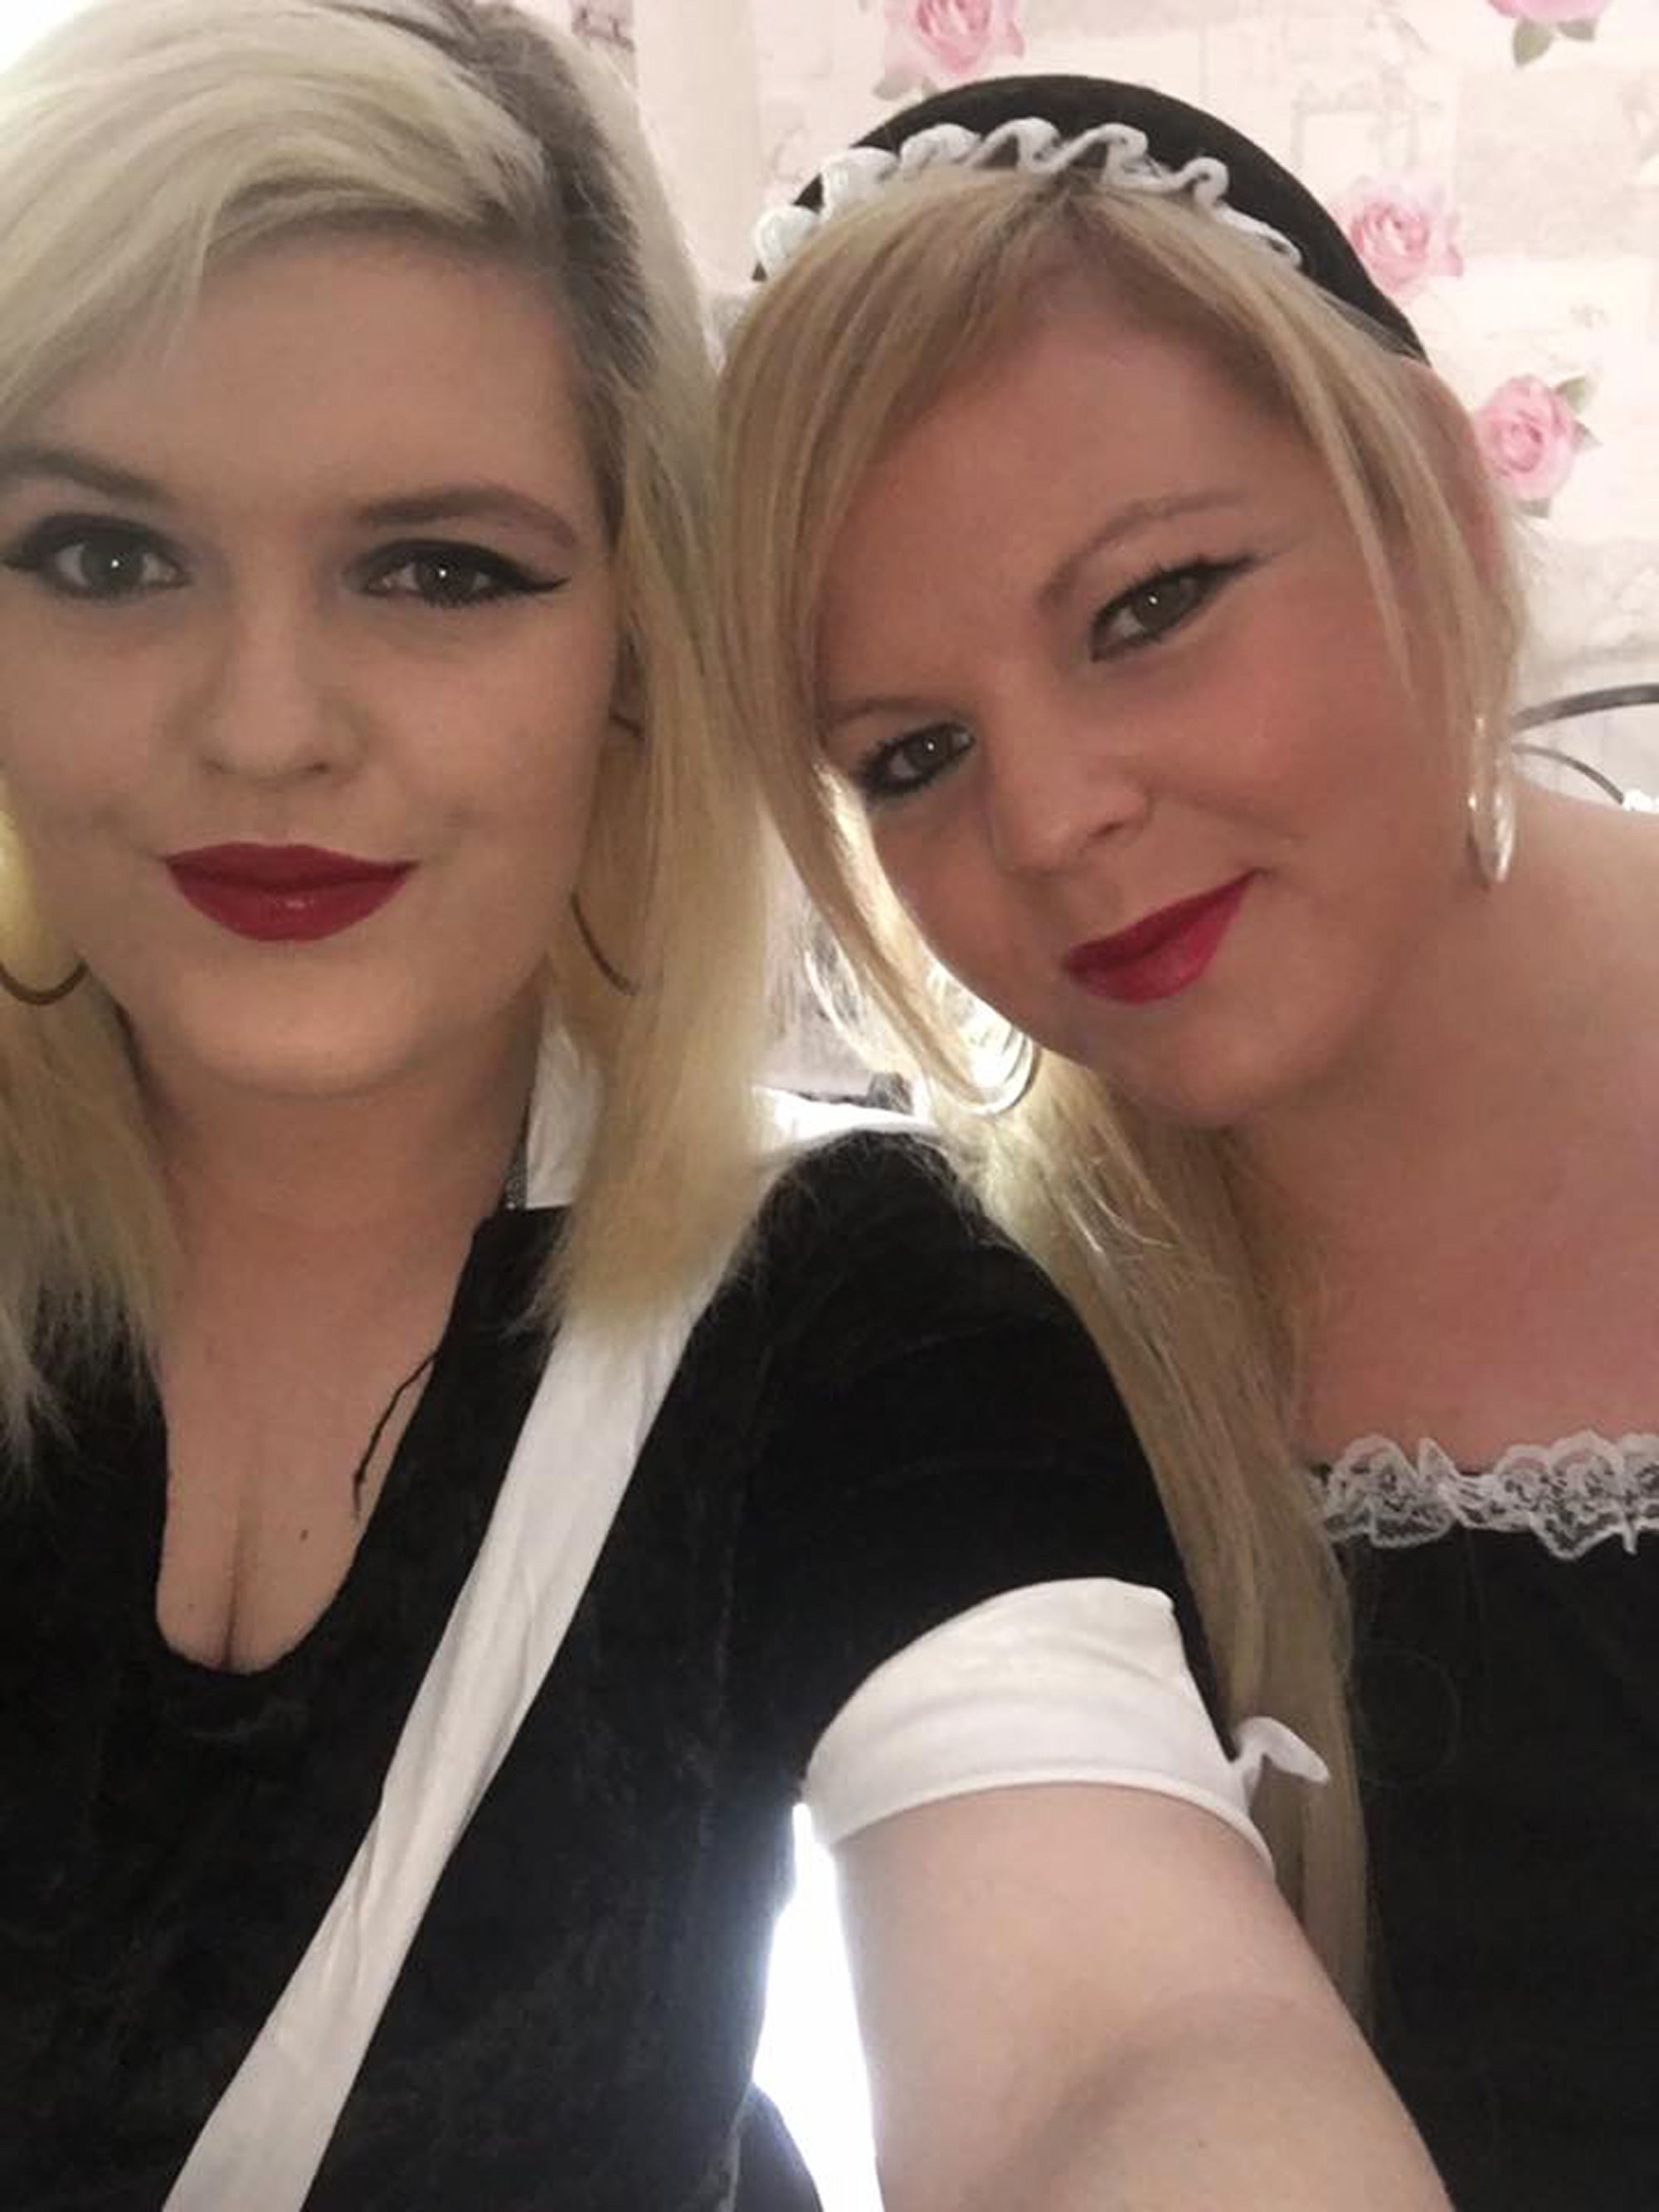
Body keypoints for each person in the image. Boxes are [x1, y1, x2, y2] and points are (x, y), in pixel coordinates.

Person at [0, 8, 1455, 2208]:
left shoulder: (848, 1314)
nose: (268, 722)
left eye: (439, 567)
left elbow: (1128, 2034)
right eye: (107, 557)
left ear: (634, 656)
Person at [717, 66, 1659, 2212]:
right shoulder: (969, 1359)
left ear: (1430, 495)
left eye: (1149, 605)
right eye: (913, 753)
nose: (1052, 819)